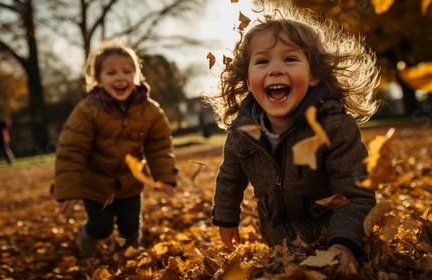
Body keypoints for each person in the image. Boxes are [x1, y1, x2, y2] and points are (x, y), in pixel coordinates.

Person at [203, 2, 380, 273]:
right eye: (262, 61)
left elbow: (356, 193)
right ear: (250, 81)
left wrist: (344, 243)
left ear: (313, 75)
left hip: (331, 238)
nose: (275, 69)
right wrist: (226, 219)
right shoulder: (242, 134)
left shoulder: (334, 127)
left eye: (290, 59)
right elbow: (229, 179)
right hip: (279, 242)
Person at [54, 41, 177, 257]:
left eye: (127, 71)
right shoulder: (87, 110)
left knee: (130, 226)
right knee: (101, 228)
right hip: (96, 185)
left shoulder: (150, 110)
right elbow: (71, 150)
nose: (120, 77)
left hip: (130, 182)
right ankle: (87, 235)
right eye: (111, 73)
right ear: (98, 79)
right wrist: (68, 190)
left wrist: (164, 176)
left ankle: (131, 254)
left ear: (136, 77)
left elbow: (159, 145)